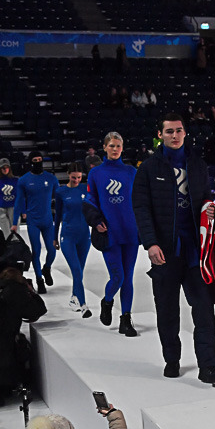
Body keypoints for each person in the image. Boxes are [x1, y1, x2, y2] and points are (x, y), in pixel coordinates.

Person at [133, 113, 215, 383]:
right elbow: (141, 208)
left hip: (196, 253)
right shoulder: (148, 168)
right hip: (165, 253)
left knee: (204, 310)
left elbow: (205, 198)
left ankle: (209, 366)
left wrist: (209, 212)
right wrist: (150, 243)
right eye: (169, 131)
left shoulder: (197, 164)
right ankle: (172, 359)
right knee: (167, 311)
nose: (175, 135)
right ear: (160, 135)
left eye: (179, 130)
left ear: (185, 133)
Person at [85, 132, 140, 336]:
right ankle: (107, 301)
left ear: (122, 148)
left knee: (128, 279)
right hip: (109, 233)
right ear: (105, 147)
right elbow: (90, 200)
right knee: (117, 277)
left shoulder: (131, 172)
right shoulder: (96, 173)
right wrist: (96, 220)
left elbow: (141, 200)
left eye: (118, 146)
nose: (115, 149)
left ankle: (126, 319)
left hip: (130, 232)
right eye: (111, 146)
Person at [0, 266, 46, 406]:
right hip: (5, 333)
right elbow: (37, 310)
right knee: (4, 361)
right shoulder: (15, 291)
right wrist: (31, 292)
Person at [13, 151, 59, 294]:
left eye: (40, 159)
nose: (38, 162)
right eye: (35, 160)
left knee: (52, 250)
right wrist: (15, 222)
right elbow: (18, 202)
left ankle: (47, 268)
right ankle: (39, 280)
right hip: (33, 220)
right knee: (36, 250)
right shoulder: (24, 180)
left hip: (47, 220)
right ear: (30, 162)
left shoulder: (51, 178)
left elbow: (60, 197)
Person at [54, 162, 93, 316]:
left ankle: (73, 298)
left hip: (84, 236)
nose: (76, 180)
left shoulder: (85, 189)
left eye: (79, 177)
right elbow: (57, 215)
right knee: (76, 271)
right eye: (73, 177)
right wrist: (54, 237)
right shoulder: (60, 191)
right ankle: (83, 305)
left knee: (79, 272)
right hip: (68, 237)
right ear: (68, 175)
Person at [0, 158, 18, 238]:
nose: (5, 169)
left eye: (7, 167)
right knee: (6, 234)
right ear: (0, 169)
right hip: (1, 209)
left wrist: (23, 210)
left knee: (16, 234)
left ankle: (16, 246)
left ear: (9, 168)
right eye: (3, 168)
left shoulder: (16, 181)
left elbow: (20, 197)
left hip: (13, 208)